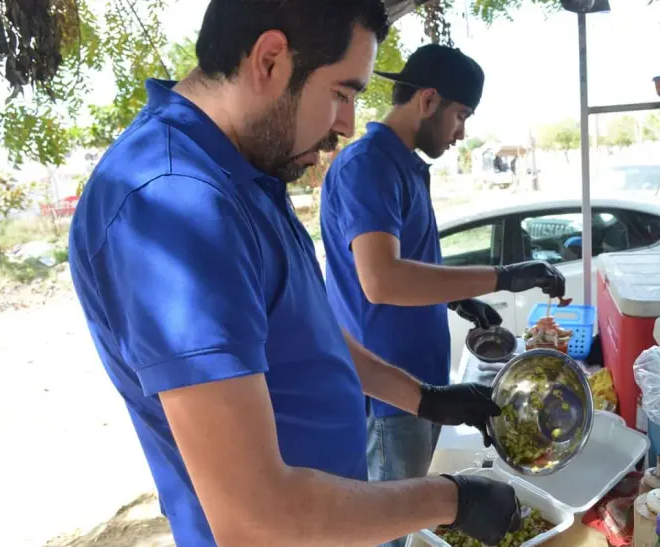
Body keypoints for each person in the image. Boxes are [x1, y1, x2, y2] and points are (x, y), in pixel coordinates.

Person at [67, 2, 522, 546]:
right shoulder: (175, 201)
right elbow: (255, 519)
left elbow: (306, 336)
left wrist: (423, 397)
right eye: (341, 93)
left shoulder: (244, 172)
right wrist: (452, 498)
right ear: (270, 59)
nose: (347, 123)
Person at [320, 44, 566, 547]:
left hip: (421, 383)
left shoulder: (406, 166)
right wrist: (502, 275)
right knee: (386, 529)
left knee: (405, 522)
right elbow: (381, 280)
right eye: (460, 115)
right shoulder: (368, 166)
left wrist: (455, 299)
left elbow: (412, 264)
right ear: (428, 100)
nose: (462, 132)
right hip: (388, 391)